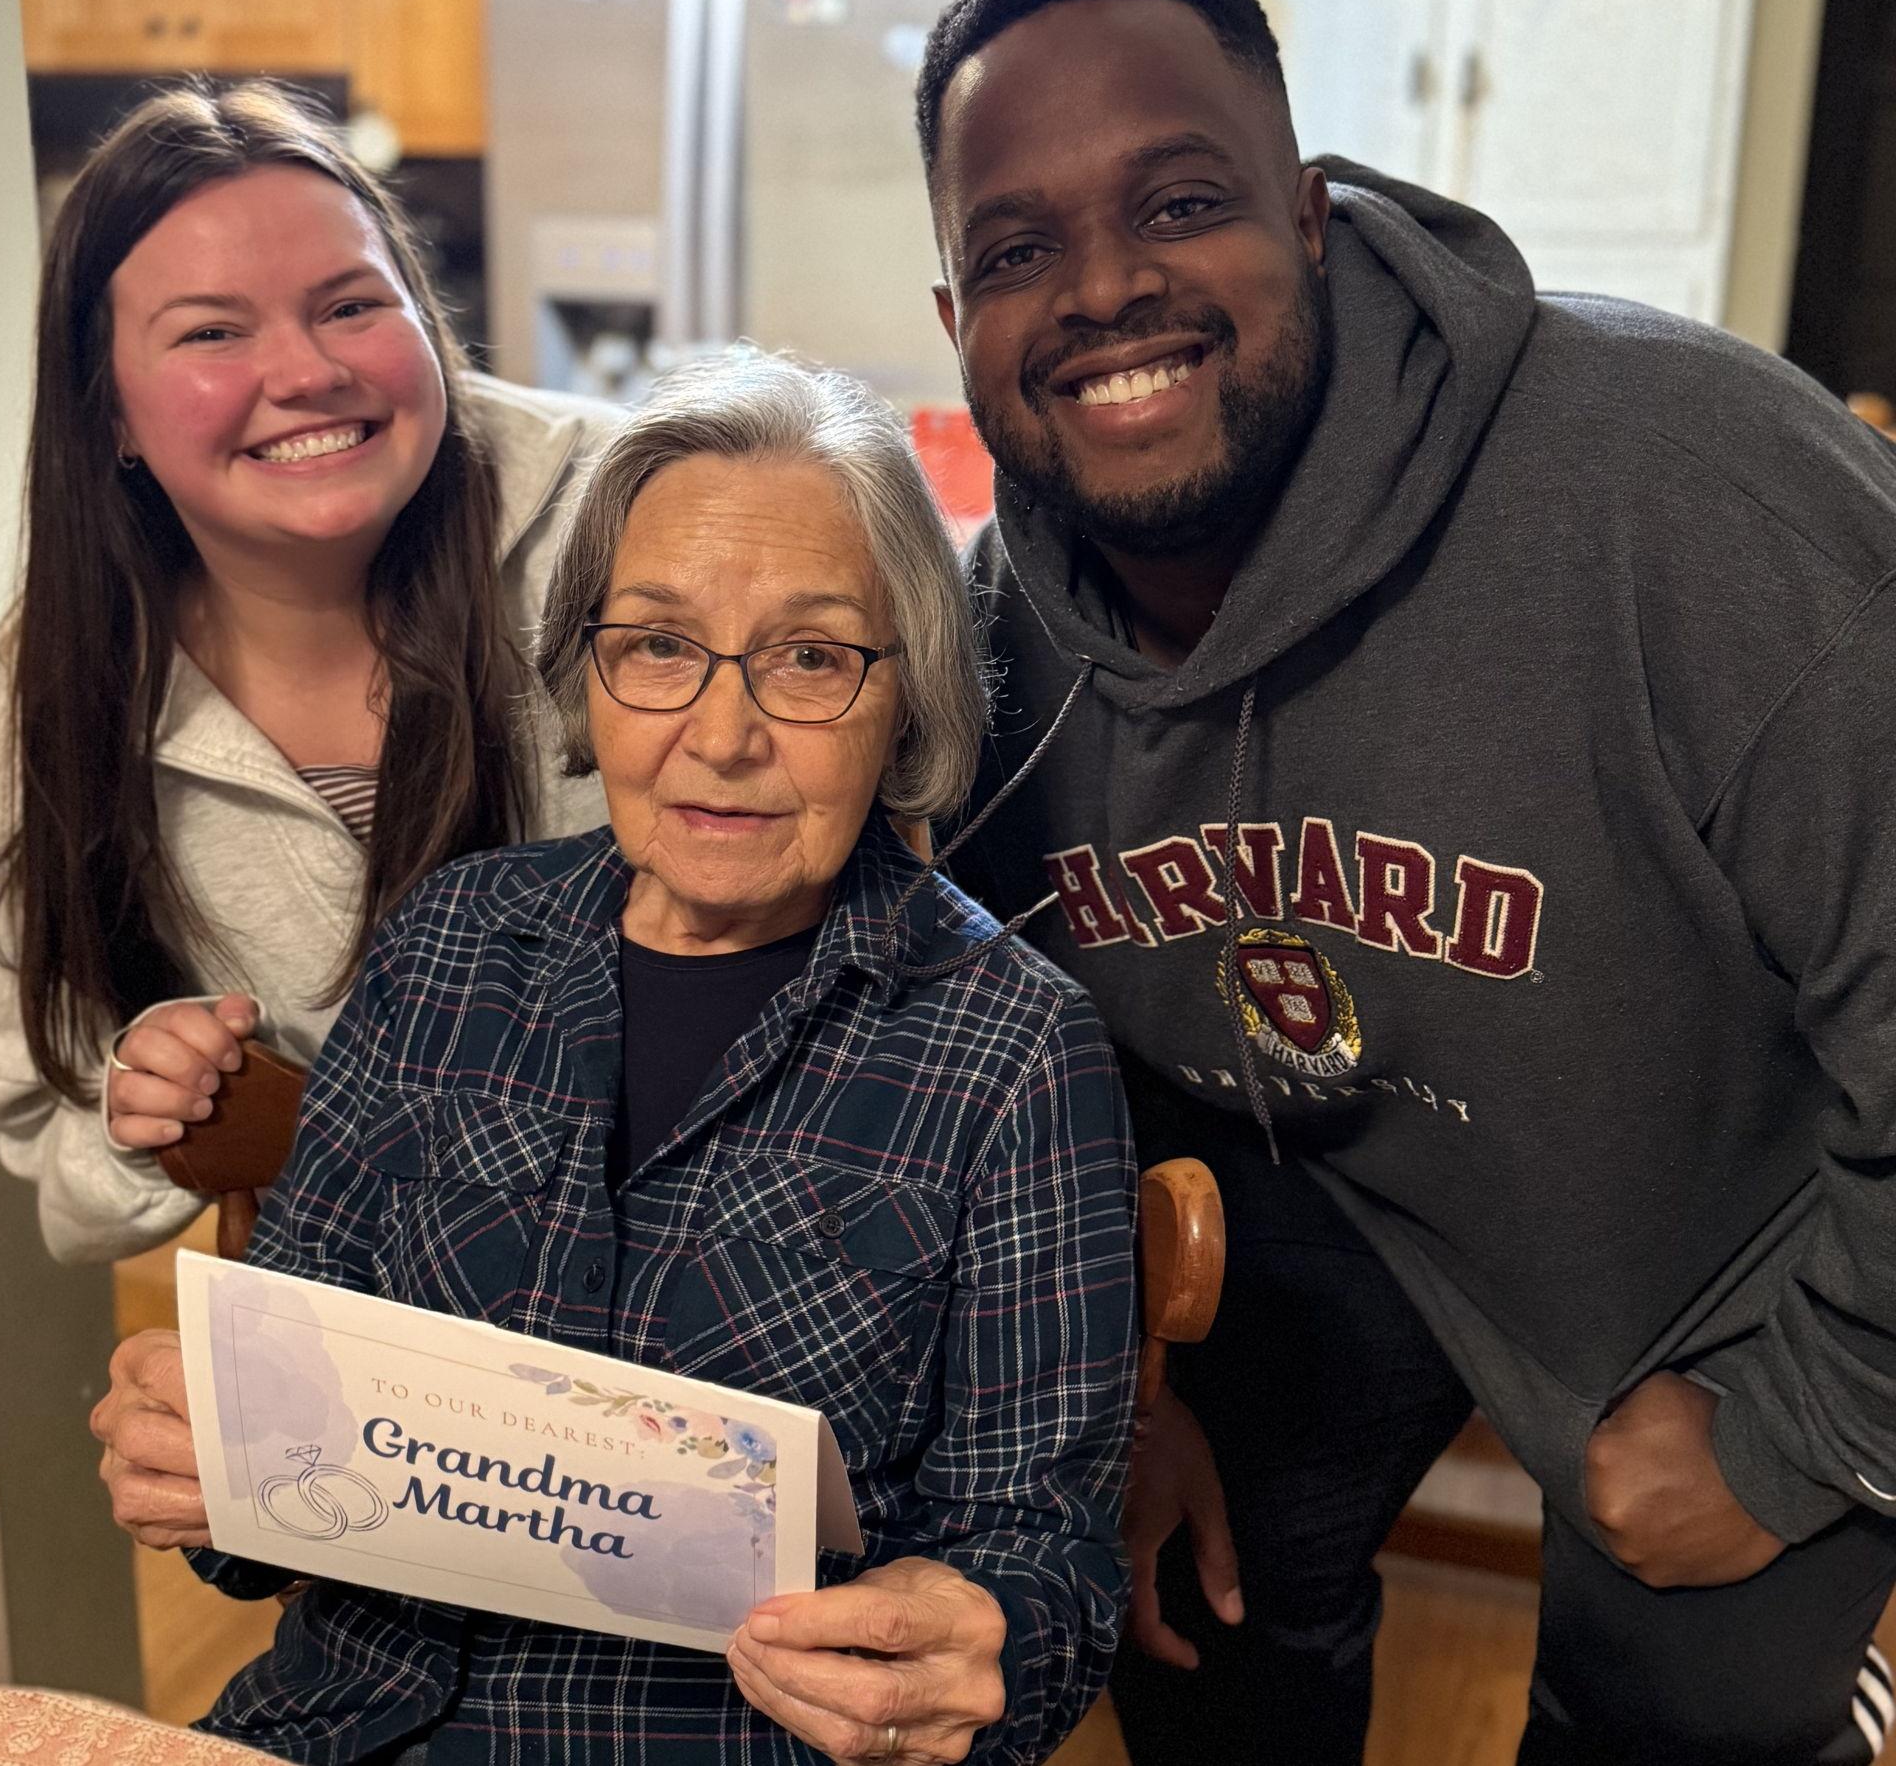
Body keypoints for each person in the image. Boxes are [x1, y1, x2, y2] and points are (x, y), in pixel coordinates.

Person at [914, 0, 1896, 1763]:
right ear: (955, 310)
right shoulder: (985, 654)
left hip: (1745, 1235)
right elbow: (998, 1079)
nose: (1106, 288)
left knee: (1686, 1711)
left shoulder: (1692, 494)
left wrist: (1809, 1427)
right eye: (1019, 249)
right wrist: (1122, 1386)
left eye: (1179, 202)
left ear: (1307, 213)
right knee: (1187, 1620)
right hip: (1320, 1198)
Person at [89, 351, 1139, 1766]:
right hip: (349, 1721)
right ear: (588, 669)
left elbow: (1045, 1565)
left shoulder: (1014, 1049)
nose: (722, 735)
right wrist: (203, 1455)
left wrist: (977, 1636)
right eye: (657, 645)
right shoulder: (450, 944)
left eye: (811, 657)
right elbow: (276, 1458)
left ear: (910, 694)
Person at [0, 82, 616, 1264]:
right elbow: (36, 1120)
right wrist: (149, 1115)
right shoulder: (60, 687)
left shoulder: (624, 519)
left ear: (424, 318)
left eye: (350, 305)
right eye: (211, 332)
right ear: (109, 413)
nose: (303, 372)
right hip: (349, 1341)